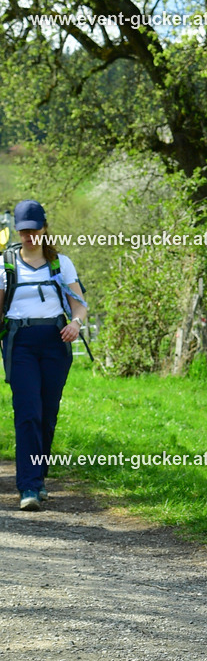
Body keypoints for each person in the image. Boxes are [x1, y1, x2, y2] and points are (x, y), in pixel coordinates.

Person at [0, 200, 87, 511]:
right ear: (17, 231)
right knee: (28, 412)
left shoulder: (61, 264)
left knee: (47, 414)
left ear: (44, 228)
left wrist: (75, 324)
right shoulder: (5, 265)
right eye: (24, 231)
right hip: (19, 342)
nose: (29, 236)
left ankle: (38, 476)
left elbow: (79, 305)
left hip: (55, 341)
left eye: (34, 230)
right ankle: (29, 486)